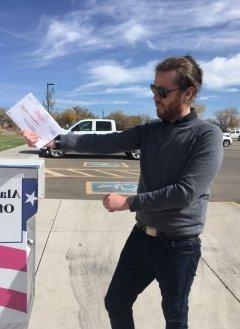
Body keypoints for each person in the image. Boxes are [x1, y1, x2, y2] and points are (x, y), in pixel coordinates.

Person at [22, 55, 223, 329]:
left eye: (163, 92)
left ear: (188, 93)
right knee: (115, 302)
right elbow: (104, 142)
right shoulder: (150, 131)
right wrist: (54, 139)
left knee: (175, 318)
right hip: (142, 237)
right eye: (154, 89)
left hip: (179, 246)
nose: (156, 97)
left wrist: (129, 201)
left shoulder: (207, 136)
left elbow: (184, 193)